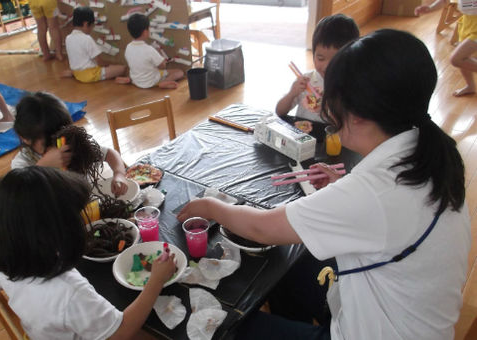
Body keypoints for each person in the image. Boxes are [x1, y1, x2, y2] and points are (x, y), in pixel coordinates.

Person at [178, 29, 471, 340]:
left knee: (229, 326)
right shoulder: (427, 152)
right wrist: (343, 186)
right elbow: (385, 214)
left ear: (357, 114)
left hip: (378, 331)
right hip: (406, 315)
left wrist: (210, 205)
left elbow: (262, 229)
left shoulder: (372, 192)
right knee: (285, 272)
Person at [0, 166, 176, 340]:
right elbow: (121, 332)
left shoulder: (5, 259)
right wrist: (156, 281)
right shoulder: (68, 290)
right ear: (60, 229)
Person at [12, 91, 128, 196]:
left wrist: (119, 174)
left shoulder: (72, 144)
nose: (56, 147)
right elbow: (19, 191)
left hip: (85, 203)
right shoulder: (23, 161)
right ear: (25, 138)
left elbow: (110, 153)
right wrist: (42, 166)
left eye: (59, 138)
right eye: (48, 143)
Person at [275, 14, 359, 137]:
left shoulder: (350, 86)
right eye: (320, 58)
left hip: (332, 142)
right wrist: (292, 93)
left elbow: (348, 127)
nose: (326, 66)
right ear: (313, 53)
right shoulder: (307, 80)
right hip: (302, 138)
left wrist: (325, 110)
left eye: (335, 60)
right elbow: (279, 112)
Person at [416, 0, 477, 96]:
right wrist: (430, 8)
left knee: (457, 59)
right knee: (463, 58)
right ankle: (470, 86)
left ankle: (470, 86)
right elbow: (445, 1)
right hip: (467, 23)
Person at [64, 6, 127, 83]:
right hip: (90, 74)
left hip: (76, 72)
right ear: (86, 24)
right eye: (92, 26)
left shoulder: (68, 38)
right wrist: (108, 65)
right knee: (122, 68)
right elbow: (99, 62)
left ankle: (73, 73)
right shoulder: (87, 38)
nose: (91, 29)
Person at [125, 13, 184, 89]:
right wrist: (159, 53)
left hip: (136, 81)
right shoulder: (149, 49)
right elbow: (163, 66)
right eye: (149, 28)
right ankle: (164, 82)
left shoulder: (128, 47)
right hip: (152, 81)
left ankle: (130, 79)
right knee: (179, 72)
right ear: (145, 32)